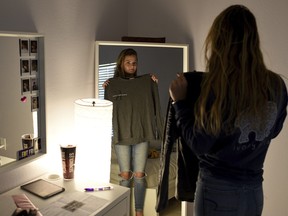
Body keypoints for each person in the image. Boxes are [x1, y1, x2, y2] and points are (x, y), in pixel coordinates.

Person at [169, 5, 287, 216]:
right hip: (254, 192)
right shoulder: (277, 85)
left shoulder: (218, 87)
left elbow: (199, 144)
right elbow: (274, 131)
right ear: (253, 39)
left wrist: (180, 104)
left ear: (219, 40)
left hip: (217, 190)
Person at [103, 48, 162, 216]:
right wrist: (108, 88)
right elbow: (107, 110)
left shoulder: (145, 82)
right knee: (125, 174)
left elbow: (154, 102)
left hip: (141, 135)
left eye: (134, 63)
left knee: (139, 174)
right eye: (128, 62)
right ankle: (123, 210)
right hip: (122, 136)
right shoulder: (112, 84)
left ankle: (139, 211)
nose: (131, 66)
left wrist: (153, 83)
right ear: (121, 63)